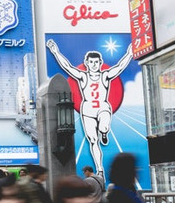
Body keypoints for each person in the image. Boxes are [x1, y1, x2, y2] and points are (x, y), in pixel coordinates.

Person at [46, 39, 133, 176]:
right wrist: (55, 52)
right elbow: (67, 66)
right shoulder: (83, 76)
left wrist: (129, 53)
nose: (93, 65)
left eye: (96, 62)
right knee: (93, 140)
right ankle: (100, 169)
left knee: (104, 127)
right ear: (87, 63)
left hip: (102, 107)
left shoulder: (105, 75)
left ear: (100, 63)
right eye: (91, 62)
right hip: (87, 110)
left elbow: (120, 67)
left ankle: (104, 132)